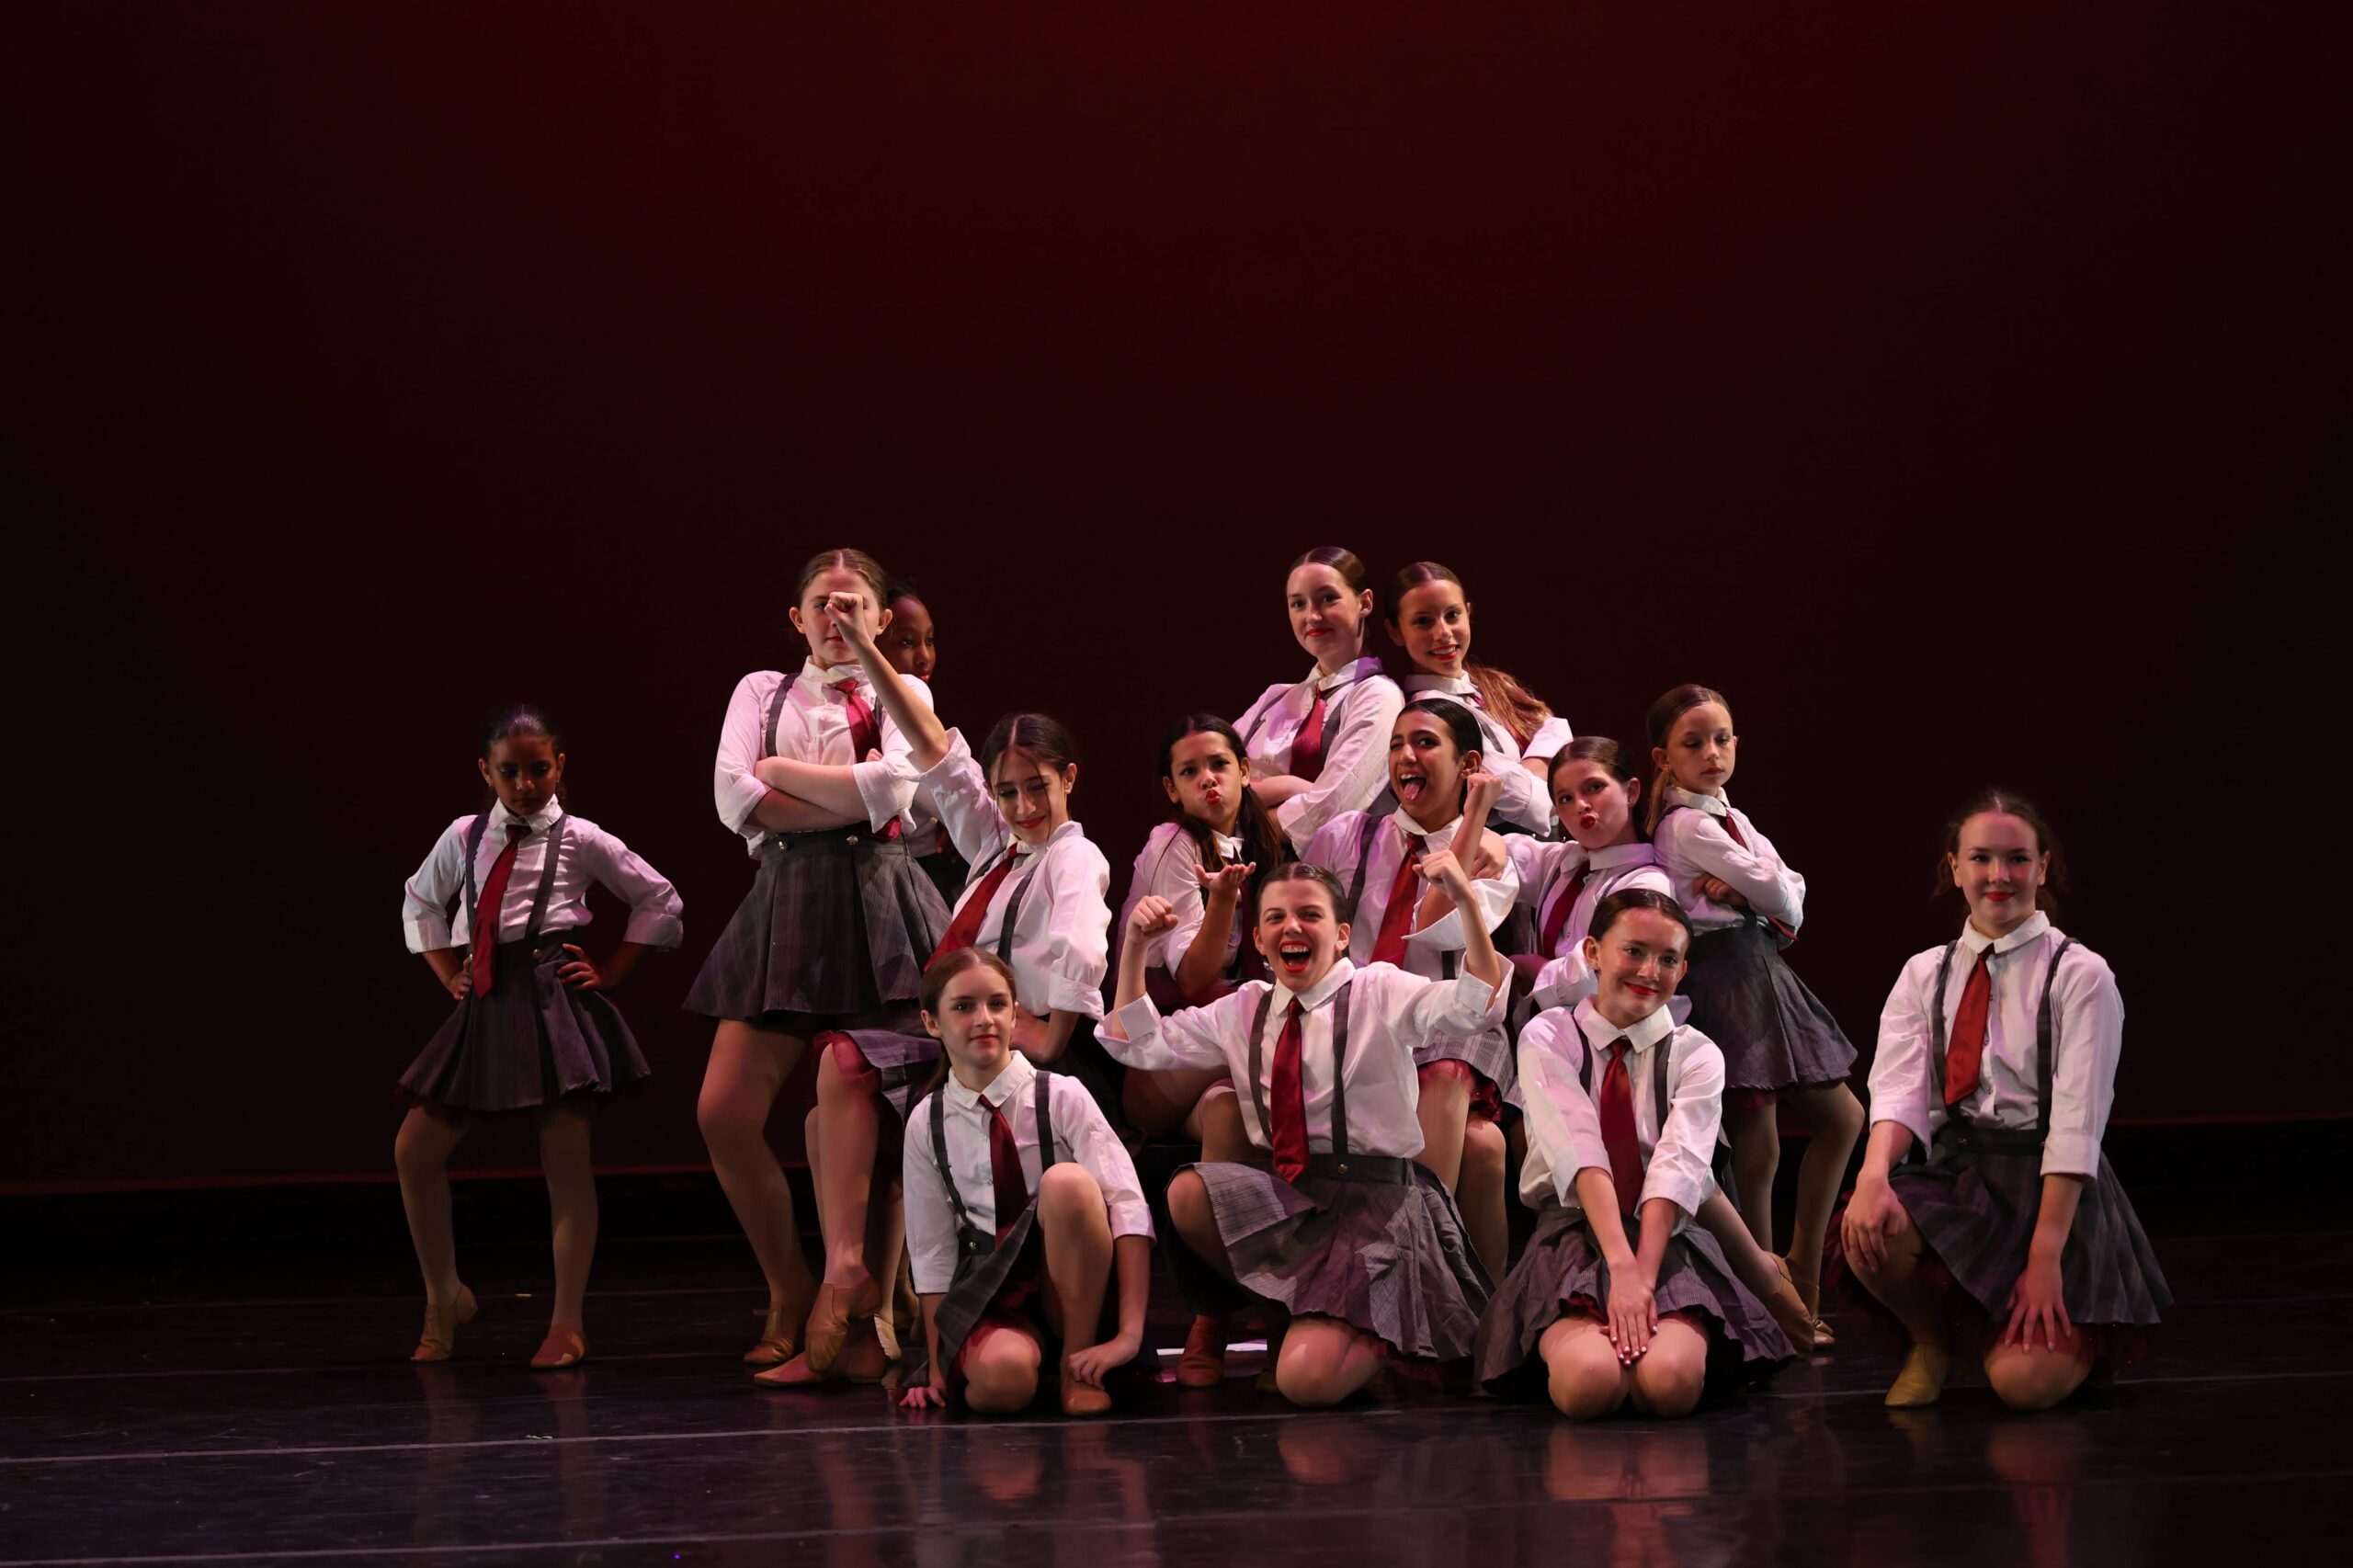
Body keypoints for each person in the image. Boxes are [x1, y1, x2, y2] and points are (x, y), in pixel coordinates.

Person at [796, 588, 1112, 1382]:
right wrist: (866, 647)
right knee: (824, 1112)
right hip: (972, 1040)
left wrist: (1045, 1036)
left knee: (844, 1068)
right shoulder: (999, 848)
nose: (1023, 806)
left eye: (1037, 788)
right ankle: (860, 1296)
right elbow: (932, 746)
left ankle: (853, 1290)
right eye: (1008, 792)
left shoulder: (1072, 857)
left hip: (1025, 1057)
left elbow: (1077, 957)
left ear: (1069, 779)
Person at [1103, 856, 1506, 1406]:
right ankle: (1292, 1320)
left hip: (1375, 1208)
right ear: (1260, 940)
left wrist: (1465, 901)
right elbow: (1138, 1043)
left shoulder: (1378, 990)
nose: (1291, 926)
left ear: (1341, 936)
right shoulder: (1245, 1007)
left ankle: (1393, 1336)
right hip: (1296, 1199)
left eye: (1309, 915)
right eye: (1275, 918)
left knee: (1304, 1383)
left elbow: (1476, 1006)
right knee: (1189, 1193)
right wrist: (1134, 947)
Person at [685, 548, 949, 1377]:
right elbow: (733, 798)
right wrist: (845, 798)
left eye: (854, 605)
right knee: (724, 1111)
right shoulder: (760, 692)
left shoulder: (907, 695)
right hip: (789, 901)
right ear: (796, 618)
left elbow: (894, 795)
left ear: (881, 619)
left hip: (884, 902)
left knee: (881, 1104)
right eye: (823, 604)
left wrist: (782, 782)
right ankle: (792, 1289)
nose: (838, 618)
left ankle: (873, 1312)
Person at [1841, 790, 2170, 1409]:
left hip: (2050, 1185)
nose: (1999, 875)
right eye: (1981, 858)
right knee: (1868, 1228)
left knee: (2024, 1388)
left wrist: (2045, 1260)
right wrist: (1873, 1175)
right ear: (1955, 867)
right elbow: (1900, 1090)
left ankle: (2070, 1338)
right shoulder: (1925, 972)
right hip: (1965, 1173)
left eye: (2017, 859)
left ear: (2042, 868)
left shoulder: (2079, 974)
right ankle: (1932, 1342)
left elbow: (2075, 1125)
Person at [395, 704, 683, 1369]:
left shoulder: (581, 838)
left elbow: (660, 899)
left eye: (538, 769)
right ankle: (443, 1295)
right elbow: (420, 900)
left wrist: (612, 969)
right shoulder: (466, 836)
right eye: (509, 772)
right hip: (487, 1000)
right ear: (485, 771)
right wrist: (448, 971)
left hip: (552, 1001)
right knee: (414, 1150)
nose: (525, 784)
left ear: (559, 766)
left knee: (565, 1161)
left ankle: (566, 1323)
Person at [1474, 889, 1792, 1416]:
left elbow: (1677, 1167)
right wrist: (1619, 1269)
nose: (1649, 971)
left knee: (1669, 1384)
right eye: (1634, 951)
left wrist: (1641, 1273)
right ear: (1594, 952)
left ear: (1683, 969)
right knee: (1589, 1384)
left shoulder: (1696, 1054)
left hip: (1665, 1239)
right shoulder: (1550, 1035)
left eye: (1668, 959)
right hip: (1574, 1234)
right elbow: (1578, 1148)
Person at [1646, 683, 1862, 1346]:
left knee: (1843, 1118)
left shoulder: (1729, 816)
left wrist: (1756, 888)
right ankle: (1771, 1305)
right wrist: (1760, 888)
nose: (1711, 753)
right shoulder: (1686, 826)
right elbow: (1778, 891)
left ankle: (1800, 1273)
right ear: (1663, 758)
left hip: (1762, 969)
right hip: (1726, 978)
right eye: (1693, 744)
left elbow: (1793, 894)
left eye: (1721, 740)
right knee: (1759, 1148)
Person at [1303, 698, 1518, 1279]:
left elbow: (1433, 922)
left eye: (1424, 742)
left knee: (1445, 1072)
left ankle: (1409, 1265)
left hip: (1451, 1017)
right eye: (1397, 744)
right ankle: (1477, 1304)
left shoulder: (1493, 855)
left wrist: (1474, 822)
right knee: (1484, 1147)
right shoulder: (1347, 835)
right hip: (1361, 1016)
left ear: (1468, 764)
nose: (1405, 756)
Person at [899, 949, 1154, 1416]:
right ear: (932, 1022)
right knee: (1003, 1384)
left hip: (1071, 1280)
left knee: (1067, 1183)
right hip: (992, 1286)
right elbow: (931, 1250)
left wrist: (1130, 1335)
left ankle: (1078, 1366)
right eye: (963, 1007)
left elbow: (1129, 1207)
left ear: (1015, 1014)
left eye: (997, 1004)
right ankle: (1017, 1363)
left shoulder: (1061, 1095)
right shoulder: (926, 1122)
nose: (984, 1019)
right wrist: (938, 1367)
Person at [1233, 547, 1406, 850]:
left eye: (1327, 598)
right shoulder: (1275, 698)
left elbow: (1328, 810)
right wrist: (1288, 786)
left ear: (1365, 602)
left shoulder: (1378, 696)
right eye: (1298, 604)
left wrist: (1236, 827)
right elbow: (1210, 779)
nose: (1312, 616)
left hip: (1328, 874)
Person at [1383, 561, 1569, 833]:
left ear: (1468, 613)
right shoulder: (1427, 714)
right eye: (1423, 621)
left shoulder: (1493, 683)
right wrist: (1549, 776)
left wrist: (1529, 769)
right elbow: (1533, 803)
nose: (1443, 633)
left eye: (1452, 615)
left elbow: (1557, 728)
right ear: (1395, 632)